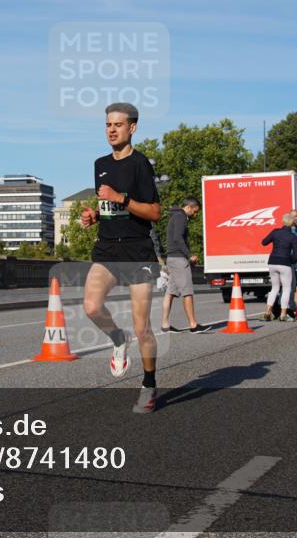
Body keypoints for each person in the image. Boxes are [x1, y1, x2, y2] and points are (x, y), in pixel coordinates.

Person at [80, 103, 163, 414]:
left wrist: (121, 198)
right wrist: (94, 216)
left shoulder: (141, 164)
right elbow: (107, 207)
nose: (112, 130)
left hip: (137, 251)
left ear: (132, 127)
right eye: (108, 124)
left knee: (143, 329)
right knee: (91, 307)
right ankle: (118, 338)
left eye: (118, 124)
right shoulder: (100, 163)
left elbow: (154, 212)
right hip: (107, 249)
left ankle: (149, 385)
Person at [161, 198, 211, 334]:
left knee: (170, 292)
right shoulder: (181, 217)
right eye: (195, 211)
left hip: (172, 258)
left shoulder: (175, 215)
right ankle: (193, 325)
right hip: (179, 259)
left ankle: (165, 325)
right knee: (187, 291)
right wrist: (189, 256)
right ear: (189, 207)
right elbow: (178, 238)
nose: (195, 214)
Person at [261, 212, 297, 322]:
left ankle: (267, 311)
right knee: (286, 289)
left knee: (274, 288)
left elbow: (264, 242)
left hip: (272, 262)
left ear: (283, 221)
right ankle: (283, 314)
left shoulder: (275, 232)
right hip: (285, 263)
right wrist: (290, 261)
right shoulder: (293, 236)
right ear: (293, 223)